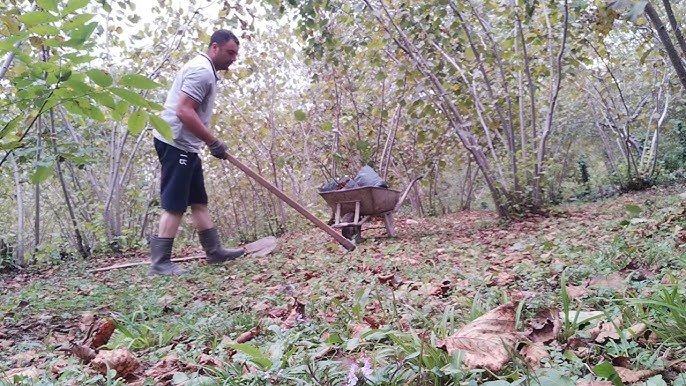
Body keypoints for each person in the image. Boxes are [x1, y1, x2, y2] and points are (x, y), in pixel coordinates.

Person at [149, 30, 244, 275]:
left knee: (198, 201)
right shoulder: (202, 71)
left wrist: (207, 144)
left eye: (236, 54)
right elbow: (184, 111)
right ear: (214, 47)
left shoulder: (206, 71)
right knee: (175, 204)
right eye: (229, 52)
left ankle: (215, 252)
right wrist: (213, 142)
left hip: (187, 146)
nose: (233, 58)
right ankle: (160, 264)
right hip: (175, 143)